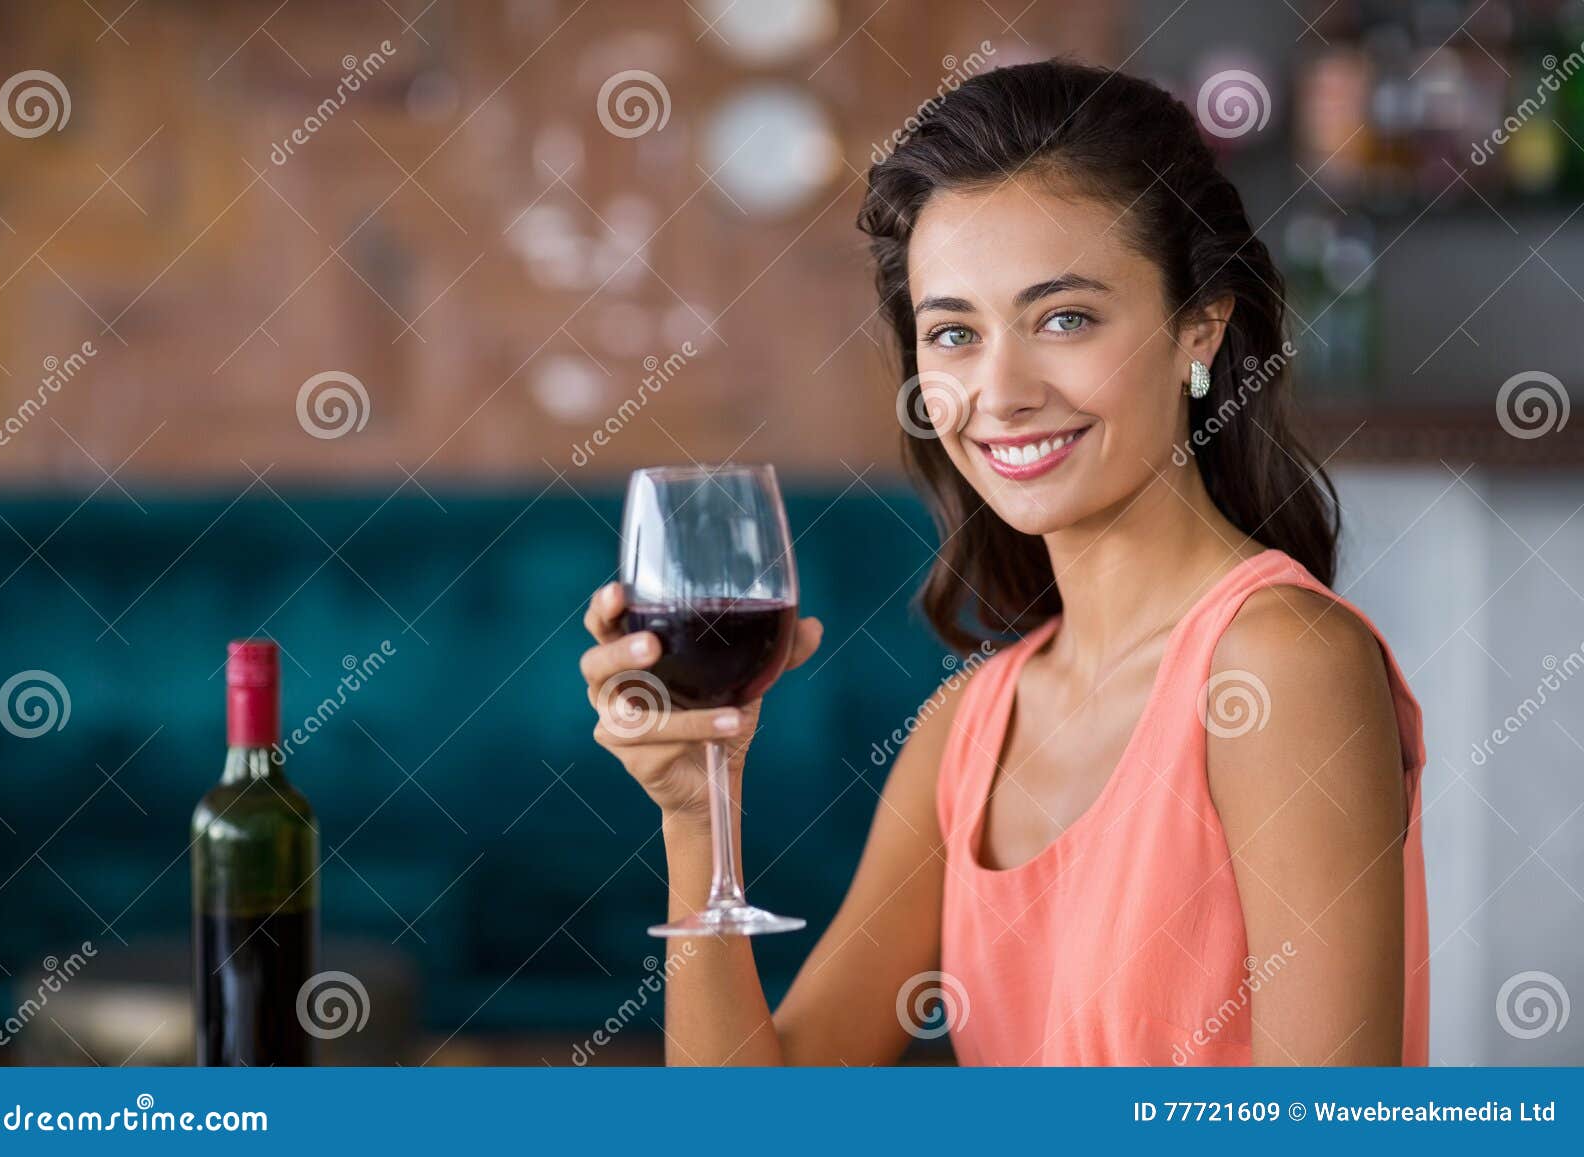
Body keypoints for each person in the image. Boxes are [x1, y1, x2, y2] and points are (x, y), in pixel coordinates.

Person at [579, 58, 1428, 1066]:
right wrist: (691, 816)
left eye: (1063, 318)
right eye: (952, 332)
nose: (1001, 389)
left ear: (1197, 327)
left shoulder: (1280, 664)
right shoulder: (968, 726)